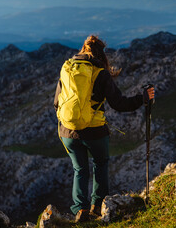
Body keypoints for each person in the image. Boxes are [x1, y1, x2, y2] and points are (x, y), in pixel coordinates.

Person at [53, 35, 155, 222]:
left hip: (67, 131)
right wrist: (143, 98)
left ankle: (79, 210)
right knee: (100, 164)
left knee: (79, 169)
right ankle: (98, 206)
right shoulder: (100, 72)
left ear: (83, 50)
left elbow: (56, 102)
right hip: (95, 131)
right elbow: (119, 103)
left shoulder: (67, 68)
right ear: (101, 54)